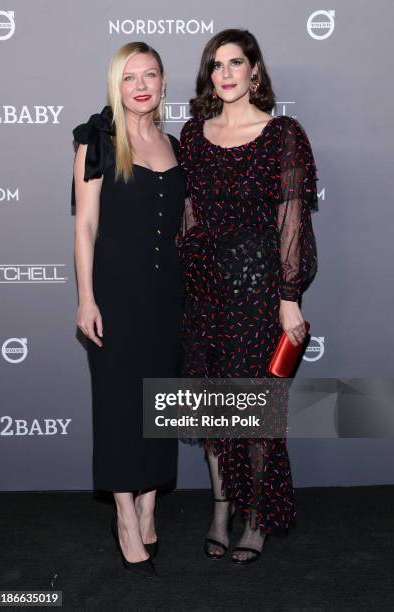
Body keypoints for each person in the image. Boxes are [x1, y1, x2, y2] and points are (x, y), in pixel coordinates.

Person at [179, 29, 318, 564]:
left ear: (255, 71)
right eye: (217, 65)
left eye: (237, 62)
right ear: (209, 75)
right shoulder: (194, 134)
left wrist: (289, 297)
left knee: (254, 407)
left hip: (260, 288)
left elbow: (291, 220)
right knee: (215, 407)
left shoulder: (283, 133)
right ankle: (220, 509)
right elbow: (189, 213)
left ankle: (256, 514)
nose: (227, 73)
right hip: (204, 287)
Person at [73, 42, 185, 578]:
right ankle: (123, 514)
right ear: (116, 85)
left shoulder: (176, 144)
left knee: (160, 403)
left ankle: (149, 503)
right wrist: (86, 298)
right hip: (115, 295)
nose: (141, 84)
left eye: (151, 74)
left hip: (169, 297)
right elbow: (86, 225)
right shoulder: (99, 140)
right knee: (120, 406)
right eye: (129, 76)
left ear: (164, 83)